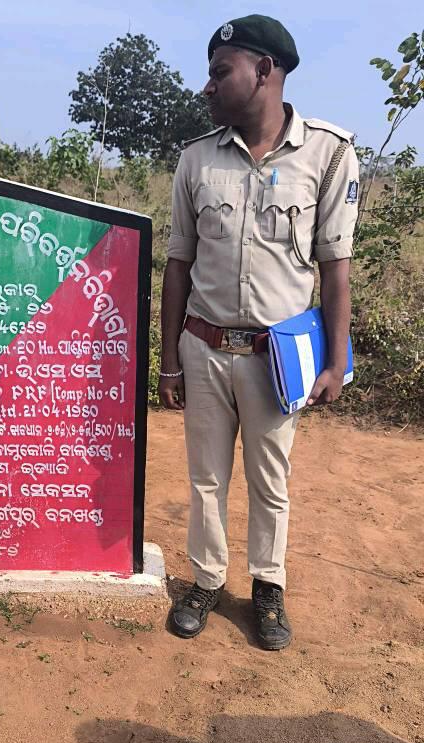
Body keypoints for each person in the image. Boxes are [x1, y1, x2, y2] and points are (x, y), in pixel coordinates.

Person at [159, 14, 359, 650]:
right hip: (204, 347)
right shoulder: (196, 159)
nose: (208, 86)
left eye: (221, 72)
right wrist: (169, 361)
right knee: (206, 478)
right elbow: (178, 265)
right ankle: (206, 581)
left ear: (265, 71)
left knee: (270, 479)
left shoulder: (328, 154)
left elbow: (335, 268)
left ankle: (268, 586)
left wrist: (334, 362)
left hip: (278, 358)